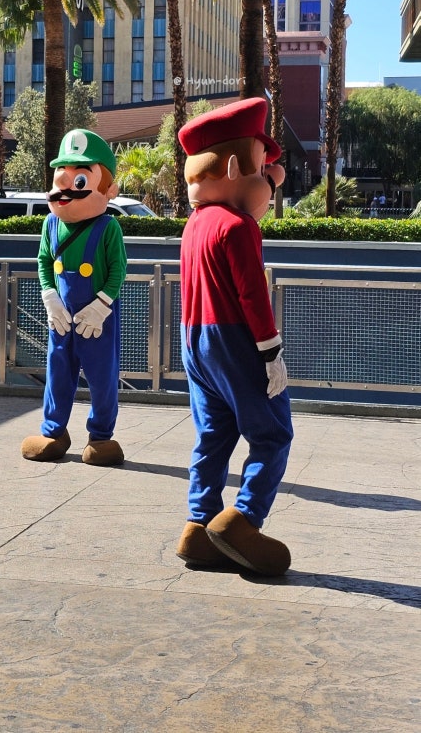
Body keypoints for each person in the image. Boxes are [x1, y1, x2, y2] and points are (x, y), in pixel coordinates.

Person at [175, 97, 294, 576]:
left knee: (213, 434)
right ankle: (243, 521)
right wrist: (271, 351)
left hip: (194, 339)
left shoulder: (195, 225)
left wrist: (268, 176)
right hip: (234, 338)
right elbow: (252, 295)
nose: (268, 181)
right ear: (230, 167)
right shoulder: (238, 227)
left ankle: (199, 525)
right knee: (273, 433)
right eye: (260, 170)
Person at [21, 129, 127, 467]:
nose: (66, 188)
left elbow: (118, 270)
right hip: (62, 317)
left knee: (102, 376)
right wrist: (49, 296)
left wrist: (101, 305)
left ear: (108, 189)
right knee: (58, 372)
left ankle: (101, 437)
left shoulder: (108, 227)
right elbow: (43, 261)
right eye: (61, 177)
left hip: (97, 319)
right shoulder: (51, 224)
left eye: (79, 179)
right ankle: (54, 432)